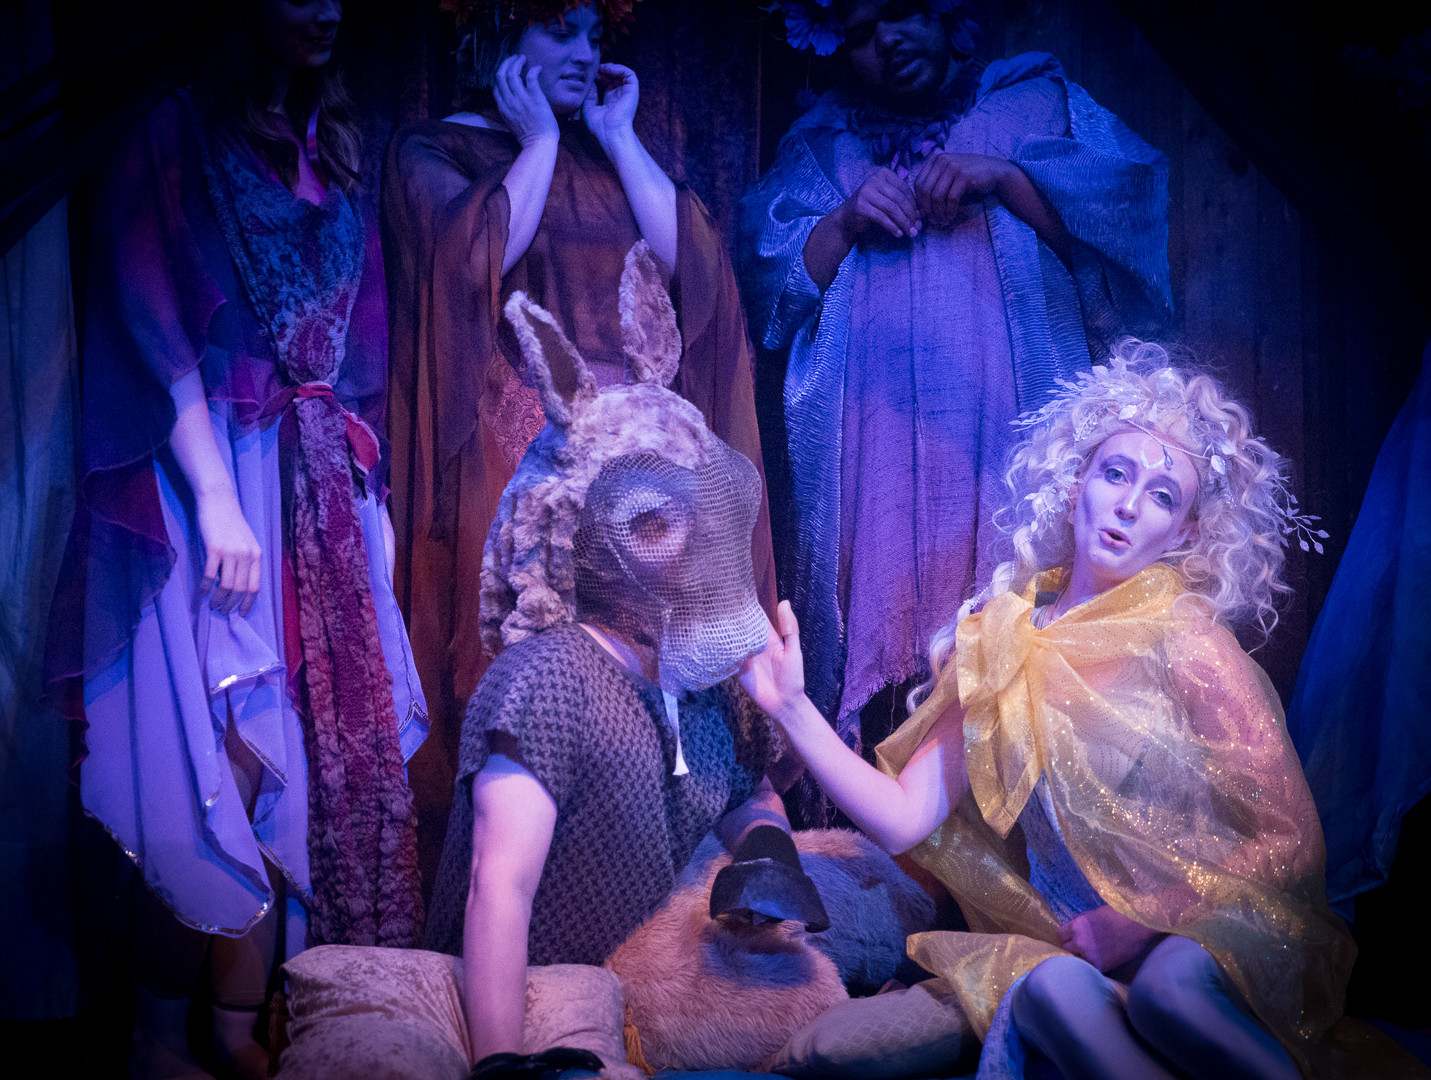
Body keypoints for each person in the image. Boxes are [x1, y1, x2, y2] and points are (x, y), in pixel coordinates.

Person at [739, 344, 1355, 1079]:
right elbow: (904, 817)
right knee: (1046, 988)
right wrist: (793, 708)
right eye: (1115, 473)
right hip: (1079, 951)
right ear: (1075, 484)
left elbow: (1291, 839)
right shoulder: (1003, 641)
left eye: (1163, 496)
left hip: (1205, 932)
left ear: (1184, 533)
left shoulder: (1187, 643)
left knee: (1168, 990)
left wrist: (1137, 923)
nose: (1129, 505)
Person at [45, 2, 426, 1075]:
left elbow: (358, 350)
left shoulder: (334, 146)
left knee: (291, 758)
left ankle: (238, 1023)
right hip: (220, 467)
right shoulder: (178, 129)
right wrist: (214, 490)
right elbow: (148, 306)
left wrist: (370, 512)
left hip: (318, 487)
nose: (325, 8)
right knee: (212, 758)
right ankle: (158, 1033)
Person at [381, 0, 776, 877]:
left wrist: (619, 137)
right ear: (497, 31)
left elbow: (696, 272)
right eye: (561, 30)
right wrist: (536, 143)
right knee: (533, 662)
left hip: (637, 459)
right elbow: (472, 262)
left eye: (595, 35)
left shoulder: (608, 156)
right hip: (520, 451)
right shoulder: (434, 149)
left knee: (659, 661)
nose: (584, 52)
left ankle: (667, 866)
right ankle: (523, 882)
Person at [739, 0, 1172, 748]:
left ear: (946, 11)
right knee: (882, 652)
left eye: (901, 12)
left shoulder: (1035, 104)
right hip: (871, 455)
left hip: (1009, 429)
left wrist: (1007, 179)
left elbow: (1119, 251)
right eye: (861, 34)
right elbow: (766, 299)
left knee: (1017, 633)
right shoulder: (821, 150)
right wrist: (841, 220)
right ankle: (875, 803)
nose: (888, 41)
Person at [425, 249, 798, 1076]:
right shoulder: (548, 680)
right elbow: (498, 886)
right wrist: (501, 1062)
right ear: (582, 533)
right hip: (533, 1006)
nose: (686, 545)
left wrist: (764, 854)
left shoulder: (704, 674)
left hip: (637, 995)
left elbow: (748, 790)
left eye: (690, 517)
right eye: (651, 524)